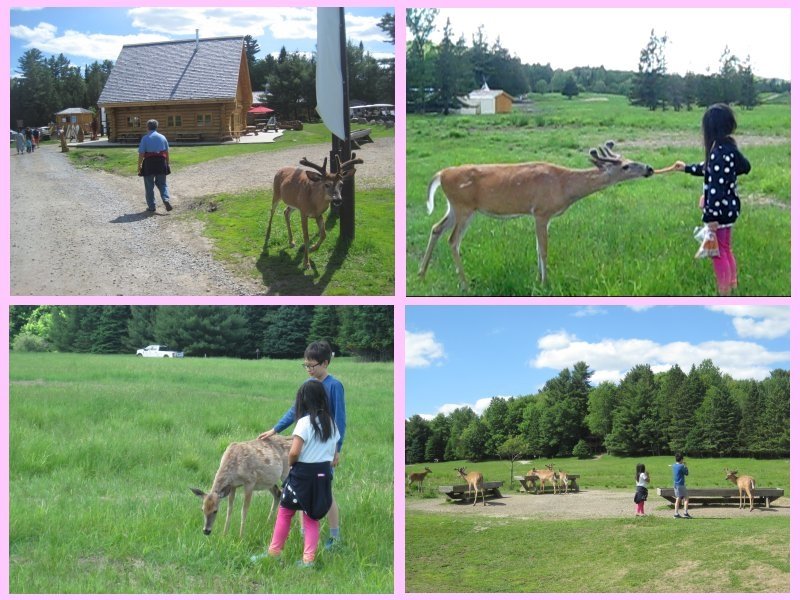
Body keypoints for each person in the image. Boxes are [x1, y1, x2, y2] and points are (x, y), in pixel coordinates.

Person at [259, 340, 346, 550]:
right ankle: (304, 533)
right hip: (306, 445)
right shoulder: (309, 387)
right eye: (305, 365)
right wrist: (275, 429)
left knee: (326, 493)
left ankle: (335, 537)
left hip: (324, 448)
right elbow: (294, 410)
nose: (308, 369)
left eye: (312, 365)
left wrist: (337, 450)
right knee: (300, 492)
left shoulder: (334, 386)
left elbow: (340, 420)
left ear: (325, 363)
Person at [251, 379, 340, 567]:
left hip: (302, 474)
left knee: (285, 512)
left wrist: (291, 464)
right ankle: (308, 560)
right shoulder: (331, 423)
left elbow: (294, 451)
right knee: (312, 517)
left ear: (303, 401)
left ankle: (274, 553)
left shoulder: (304, 423)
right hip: (323, 474)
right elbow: (333, 453)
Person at [673, 104, 751, 295]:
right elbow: (740, 167)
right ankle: (732, 285)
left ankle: (724, 291)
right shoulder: (729, 147)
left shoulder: (718, 153)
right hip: (730, 208)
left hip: (719, 213)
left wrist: (710, 217)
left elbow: (716, 190)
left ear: (710, 128)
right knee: (725, 248)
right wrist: (687, 168)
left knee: (717, 254)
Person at [137, 119, 172, 213]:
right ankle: (166, 199)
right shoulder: (162, 137)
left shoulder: (145, 138)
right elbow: (166, 152)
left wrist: (139, 165)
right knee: (162, 184)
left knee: (149, 186)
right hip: (161, 162)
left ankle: (152, 207)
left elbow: (141, 153)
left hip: (149, 163)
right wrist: (167, 163)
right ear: (156, 127)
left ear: (147, 127)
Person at [672, 453, 691, 518]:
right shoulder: (682, 466)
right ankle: (685, 513)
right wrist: (685, 466)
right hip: (681, 484)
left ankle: (676, 513)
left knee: (678, 498)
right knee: (686, 497)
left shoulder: (674, 465)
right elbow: (686, 473)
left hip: (675, 484)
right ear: (681, 459)